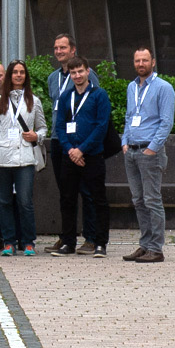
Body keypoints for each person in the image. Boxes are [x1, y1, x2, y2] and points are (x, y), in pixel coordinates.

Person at [51, 55, 112, 257]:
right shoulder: (65, 97)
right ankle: (68, 242)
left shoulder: (99, 95)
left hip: (92, 155)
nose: (77, 75)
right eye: (73, 72)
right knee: (67, 199)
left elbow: (101, 126)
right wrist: (70, 149)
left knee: (97, 198)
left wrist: (82, 150)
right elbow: (60, 126)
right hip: (69, 155)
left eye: (80, 71)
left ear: (88, 72)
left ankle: (100, 243)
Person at [120, 46, 174, 263]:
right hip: (131, 151)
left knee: (152, 200)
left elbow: (166, 122)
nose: (140, 64)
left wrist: (152, 148)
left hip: (150, 152)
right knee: (138, 201)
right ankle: (145, 245)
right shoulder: (131, 87)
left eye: (144, 60)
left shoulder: (164, 88)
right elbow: (128, 117)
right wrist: (124, 142)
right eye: (137, 61)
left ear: (153, 62)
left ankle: (156, 249)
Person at [0, 61, 45, 256]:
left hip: (25, 158)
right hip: (2, 158)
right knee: (4, 202)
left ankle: (28, 241)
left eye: (22, 72)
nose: (18, 75)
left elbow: (43, 128)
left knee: (24, 201)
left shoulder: (34, 101)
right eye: (15, 72)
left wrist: (37, 136)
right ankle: (8, 242)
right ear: (9, 76)